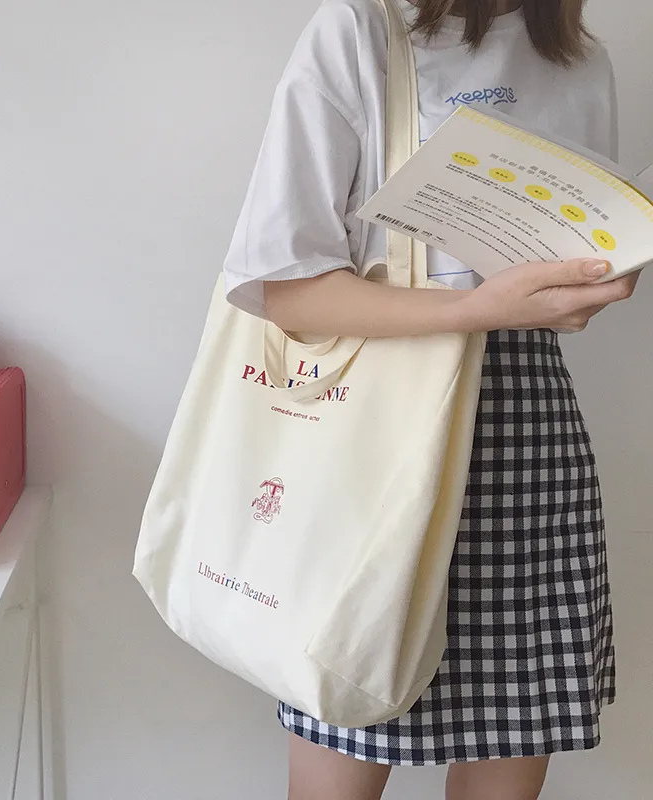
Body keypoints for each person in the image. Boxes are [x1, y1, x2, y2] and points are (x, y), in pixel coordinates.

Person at [222, 1, 641, 798]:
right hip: (372, 422)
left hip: (525, 429)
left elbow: (575, 261)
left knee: (512, 727)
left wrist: (588, 284)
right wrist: (476, 308)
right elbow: (284, 288)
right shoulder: (360, 29)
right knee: (343, 717)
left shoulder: (579, 58)